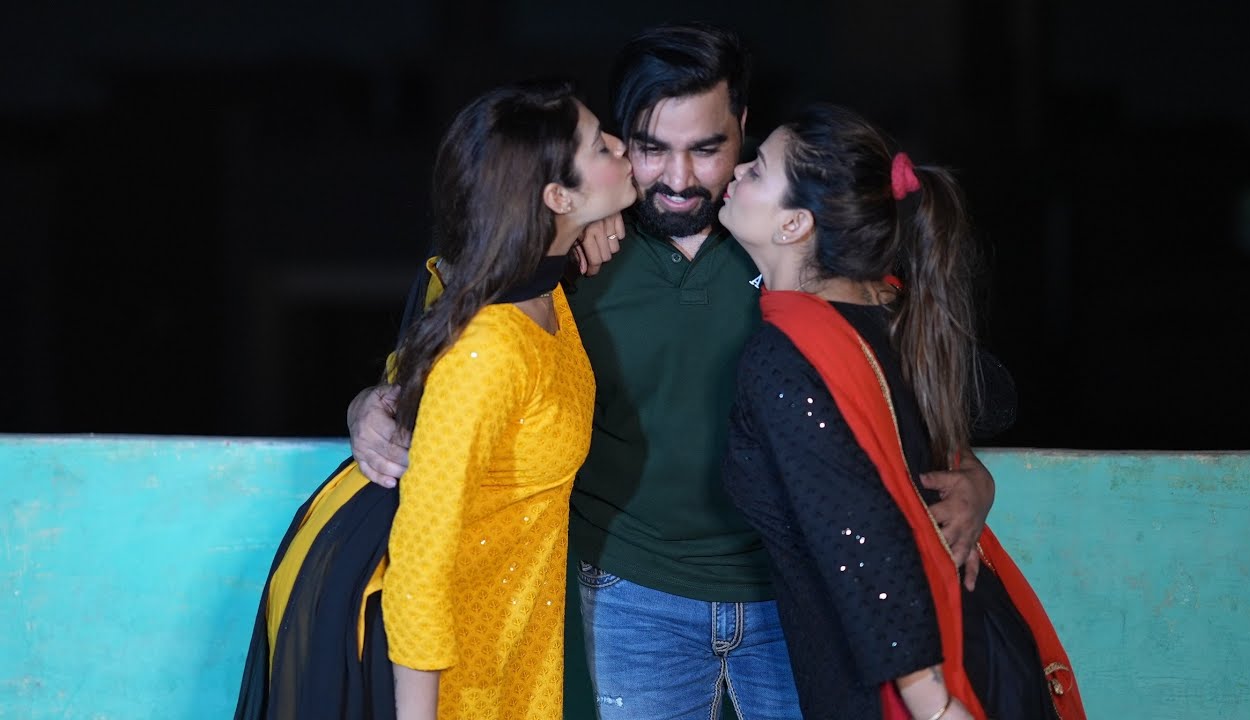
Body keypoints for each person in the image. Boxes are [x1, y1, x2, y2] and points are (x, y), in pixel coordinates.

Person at [347, 23, 999, 720]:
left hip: (792, 602)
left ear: (743, 128)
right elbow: (447, 350)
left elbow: (905, 382)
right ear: (618, 142)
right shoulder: (562, 251)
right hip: (625, 604)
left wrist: (972, 477)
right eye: (651, 149)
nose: (680, 179)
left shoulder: (793, 236)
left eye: (708, 149)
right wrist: (372, 404)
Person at [234, 79, 636, 720]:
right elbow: (420, 565)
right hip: (456, 674)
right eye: (601, 145)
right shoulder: (487, 349)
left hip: (515, 640)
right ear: (557, 196)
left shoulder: (544, 292)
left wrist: (592, 215)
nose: (622, 143)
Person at [717, 103, 1086, 719]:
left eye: (756, 169)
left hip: (915, 686)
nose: (737, 170)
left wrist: (933, 705)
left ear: (795, 224)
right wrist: (973, 473)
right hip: (976, 648)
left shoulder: (785, 356)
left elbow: (862, 534)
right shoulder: (885, 311)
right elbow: (986, 404)